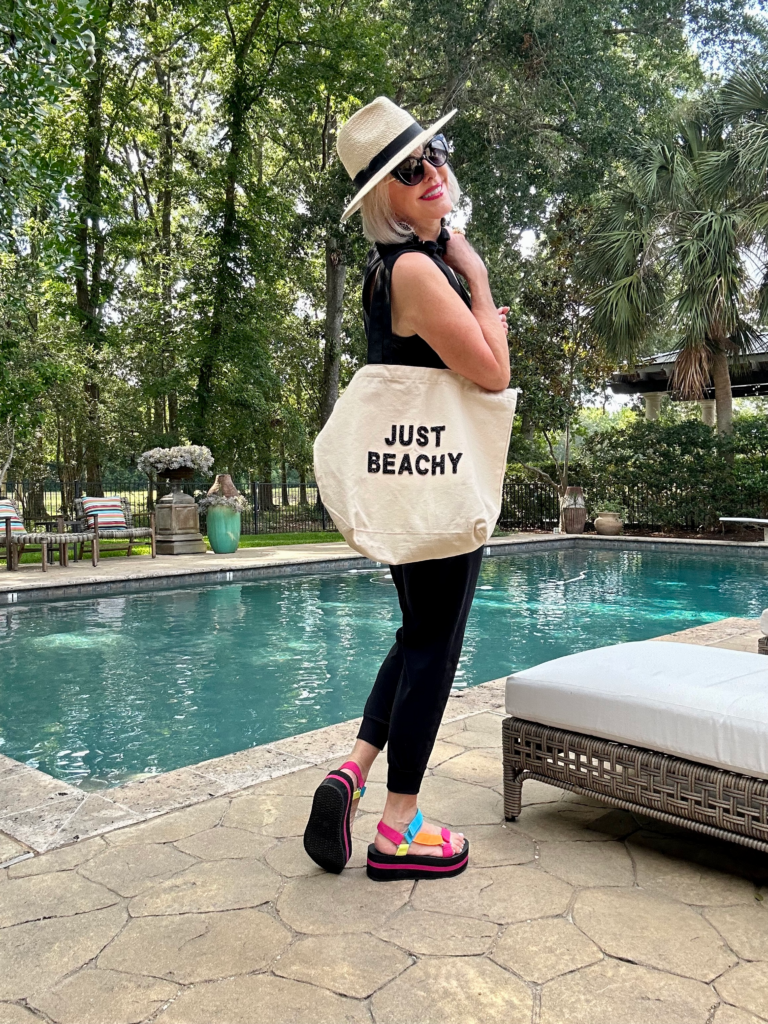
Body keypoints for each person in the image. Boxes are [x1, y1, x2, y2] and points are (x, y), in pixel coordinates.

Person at [303, 96, 510, 882]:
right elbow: (494, 372)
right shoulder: (420, 271)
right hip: (438, 490)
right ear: (383, 197)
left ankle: (352, 771)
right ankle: (398, 827)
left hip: (411, 484)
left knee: (413, 634)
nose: (431, 174)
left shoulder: (390, 270)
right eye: (408, 169)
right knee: (436, 644)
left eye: (435, 154)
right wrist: (479, 279)